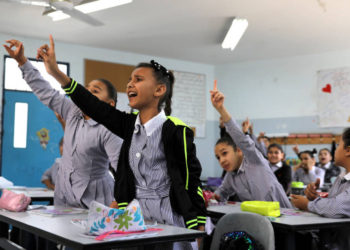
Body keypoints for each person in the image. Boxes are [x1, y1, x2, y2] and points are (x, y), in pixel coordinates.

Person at [35, 35, 206, 248]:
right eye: (130, 79)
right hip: (136, 218)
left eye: (138, 79)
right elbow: (94, 106)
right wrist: (55, 73)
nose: (130, 84)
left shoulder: (175, 130)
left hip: (170, 218)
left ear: (159, 90)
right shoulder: (128, 126)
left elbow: (190, 178)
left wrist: (197, 222)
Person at [4, 39, 123, 209]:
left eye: (95, 91)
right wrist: (22, 61)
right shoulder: (73, 110)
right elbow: (45, 90)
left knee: (87, 235)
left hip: (97, 199)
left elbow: (124, 171)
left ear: (110, 104)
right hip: (64, 192)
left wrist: (119, 202)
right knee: (59, 233)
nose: (87, 93)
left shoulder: (109, 129)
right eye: (86, 88)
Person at [210, 82, 292, 208]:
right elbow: (222, 192)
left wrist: (220, 109)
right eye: (218, 157)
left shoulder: (254, 159)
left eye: (224, 153)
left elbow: (238, 136)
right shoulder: (230, 177)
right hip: (258, 223)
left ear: (239, 150)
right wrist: (213, 197)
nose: (222, 160)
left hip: (284, 218)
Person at [291, 128, 350, 250]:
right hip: (333, 240)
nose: (336, 149)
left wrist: (308, 204)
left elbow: (336, 207)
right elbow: (336, 200)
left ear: (348, 150)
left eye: (338, 145)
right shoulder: (342, 177)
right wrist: (316, 197)